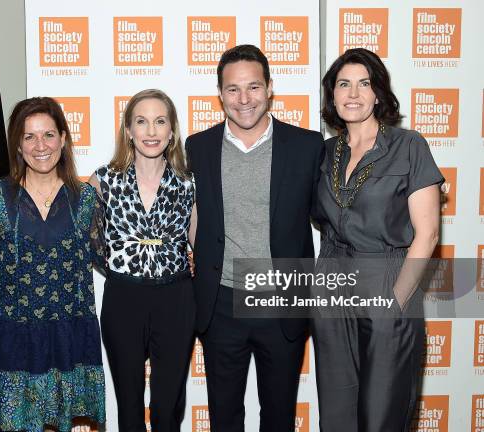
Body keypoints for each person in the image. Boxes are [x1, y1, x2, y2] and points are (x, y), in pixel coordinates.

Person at [185, 45, 324, 431]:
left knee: (279, 417)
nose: (244, 99)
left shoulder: (308, 147)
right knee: (224, 417)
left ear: (270, 88)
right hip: (221, 302)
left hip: (282, 302)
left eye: (253, 87)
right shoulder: (199, 147)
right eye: (233, 89)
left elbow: (332, 215)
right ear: (220, 94)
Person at [312, 48, 443, 432]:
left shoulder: (408, 146)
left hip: (386, 280)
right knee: (336, 415)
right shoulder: (325, 152)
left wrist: (396, 300)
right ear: (332, 96)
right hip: (331, 287)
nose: (353, 93)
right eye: (343, 84)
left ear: (379, 94)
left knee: (381, 415)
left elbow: (429, 232)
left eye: (364, 84)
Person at [0, 97, 105, 432]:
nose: (41, 146)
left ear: (64, 139)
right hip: (11, 338)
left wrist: (171, 254)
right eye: (29, 137)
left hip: (67, 338)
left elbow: (108, 256)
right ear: (18, 145)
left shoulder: (84, 199)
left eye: (49, 135)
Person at [88, 89, 197, 432]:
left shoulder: (188, 182)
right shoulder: (103, 180)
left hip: (176, 299)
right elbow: (80, 238)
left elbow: (202, 245)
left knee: (168, 409)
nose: (151, 131)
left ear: (172, 131)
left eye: (160, 121)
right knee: (129, 406)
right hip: (124, 299)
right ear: (129, 130)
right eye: (142, 121)